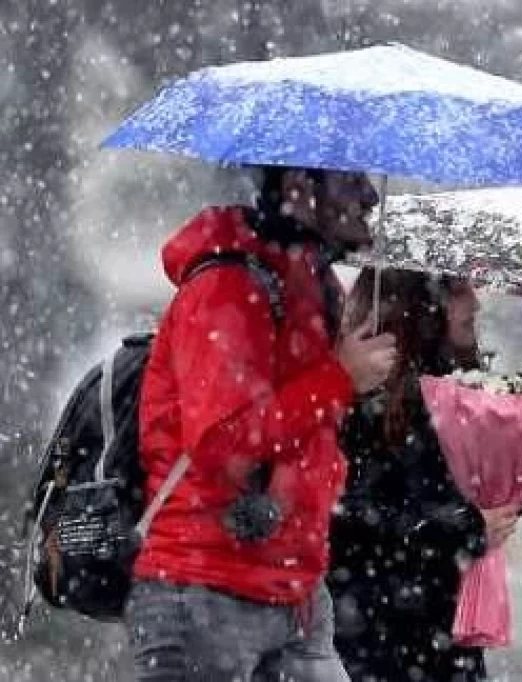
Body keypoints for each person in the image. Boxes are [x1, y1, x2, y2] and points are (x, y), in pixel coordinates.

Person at [127, 167, 398, 682]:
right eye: (350, 180)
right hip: (204, 592)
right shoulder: (228, 285)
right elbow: (222, 441)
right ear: (299, 183)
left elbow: (306, 435)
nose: (369, 195)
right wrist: (339, 379)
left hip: (295, 595)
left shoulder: (314, 287)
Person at [328, 268, 522, 682]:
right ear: (419, 302)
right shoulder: (365, 398)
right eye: (458, 289)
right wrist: (466, 528)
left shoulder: (459, 394)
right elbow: (347, 519)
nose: (475, 303)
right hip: (380, 639)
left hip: (441, 634)